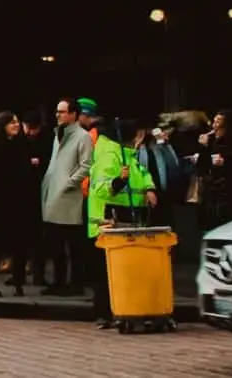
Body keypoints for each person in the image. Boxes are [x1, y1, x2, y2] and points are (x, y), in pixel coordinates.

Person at [88, 117, 158, 329]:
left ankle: (121, 309)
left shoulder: (127, 153)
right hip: (109, 220)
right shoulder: (111, 155)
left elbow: (141, 173)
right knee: (106, 271)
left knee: (121, 269)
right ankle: (104, 313)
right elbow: (100, 187)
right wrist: (118, 182)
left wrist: (149, 188)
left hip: (127, 217)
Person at [0, 111, 40, 297]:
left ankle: (18, 281)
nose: (16, 125)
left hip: (20, 201)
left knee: (19, 245)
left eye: (16, 122)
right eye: (11, 122)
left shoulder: (22, 145)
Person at [40, 98, 95, 296]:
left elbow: (87, 165)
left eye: (62, 112)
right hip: (53, 194)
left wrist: (70, 183)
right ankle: (59, 282)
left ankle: (75, 284)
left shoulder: (83, 137)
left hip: (69, 197)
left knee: (73, 244)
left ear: (73, 114)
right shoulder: (58, 135)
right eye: (57, 111)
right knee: (55, 243)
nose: (58, 115)